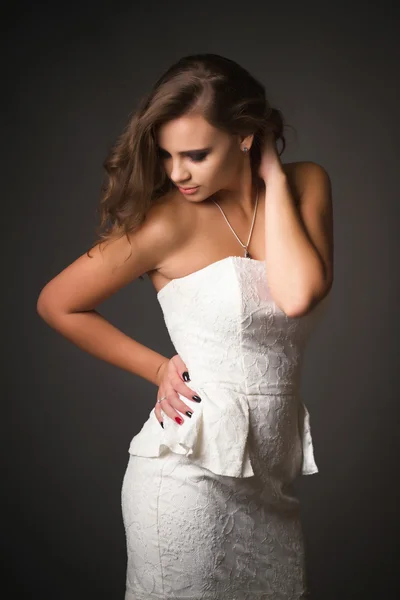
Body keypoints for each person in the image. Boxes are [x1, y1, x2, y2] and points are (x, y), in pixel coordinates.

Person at [37, 53, 333, 599]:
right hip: (184, 483)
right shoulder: (165, 221)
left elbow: (297, 293)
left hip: (271, 492)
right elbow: (58, 303)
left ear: (246, 135)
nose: (177, 173)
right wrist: (157, 368)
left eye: (196, 154)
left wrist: (270, 176)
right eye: (168, 155)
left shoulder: (305, 185)